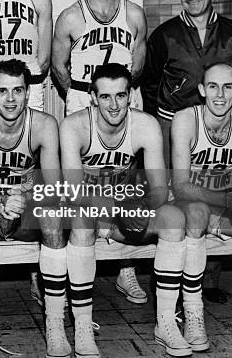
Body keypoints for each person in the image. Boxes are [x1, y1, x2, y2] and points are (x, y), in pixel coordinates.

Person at [60, 63, 189, 357]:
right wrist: (119, 206)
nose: (114, 104)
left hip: (124, 209)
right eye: (105, 96)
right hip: (91, 212)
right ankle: (81, 325)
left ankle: (166, 322)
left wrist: (138, 207)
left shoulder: (145, 124)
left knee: (173, 218)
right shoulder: (73, 126)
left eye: (120, 95)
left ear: (130, 95)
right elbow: (74, 191)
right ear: (92, 97)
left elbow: (158, 189)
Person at [142, 0, 232, 302]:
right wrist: (163, 126)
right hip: (172, 123)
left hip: (216, 125)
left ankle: (207, 280)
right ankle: (167, 280)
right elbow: (150, 83)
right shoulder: (164, 34)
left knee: (215, 191)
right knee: (175, 199)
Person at [52, 0, 149, 305]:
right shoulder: (70, 18)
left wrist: (117, 97)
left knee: (127, 177)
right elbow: (58, 66)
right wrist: (83, 97)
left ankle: (126, 269)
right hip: (83, 96)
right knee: (80, 181)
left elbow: (138, 66)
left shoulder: (134, 14)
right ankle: (77, 263)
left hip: (124, 98)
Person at [0, 59, 70, 358]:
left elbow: (54, 188)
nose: (10, 99)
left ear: (28, 93)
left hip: (23, 206)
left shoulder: (44, 125)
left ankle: (55, 323)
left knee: (53, 218)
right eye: (2, 91)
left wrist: (24, 198)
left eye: (17, 91)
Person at [172, 62, 232, 351]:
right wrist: (231, 199)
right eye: (212, 86)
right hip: (192, 203)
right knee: (195, 213)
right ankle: (193, 314)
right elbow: (179, 186)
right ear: (202, 90)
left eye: (227, 87)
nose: (219, 95)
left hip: (227, 205)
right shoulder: (185, 119)